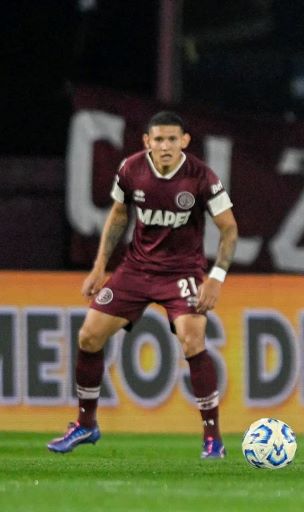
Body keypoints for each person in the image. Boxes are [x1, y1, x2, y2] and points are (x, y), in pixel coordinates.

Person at [47, 111, 238, 458]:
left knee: (193, 339)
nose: (165, 146)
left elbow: (229, 228)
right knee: (89, 335)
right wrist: (100, 266)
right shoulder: (130, 169)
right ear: (147, 142)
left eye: (172, 139)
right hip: (136, 269)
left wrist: (216, 277)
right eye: (158, 139)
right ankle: (86, 424)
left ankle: (213, 438)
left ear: (184, 141)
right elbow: (119, 215)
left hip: (182, 271)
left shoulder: (201, 177)